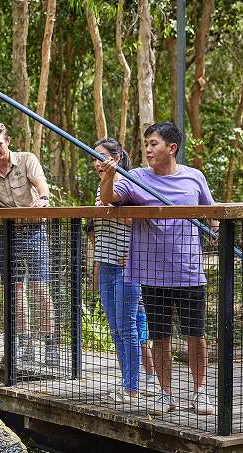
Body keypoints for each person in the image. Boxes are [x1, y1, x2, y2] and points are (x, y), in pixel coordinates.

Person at [99, 121, 216, 415]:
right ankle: (166, 394)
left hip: (189, 272)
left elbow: (212, 213)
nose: (148, 149)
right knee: (160, 337)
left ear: (171, 148)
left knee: (195, 334)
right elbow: (109, 198)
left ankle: (200, 392)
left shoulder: (194, 177)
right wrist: (109, 177)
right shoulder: (136, 177)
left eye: (154, 144)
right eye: (146, 144)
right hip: (152, 274)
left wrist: (217, 234)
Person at [0, 122, 59, 367]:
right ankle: (24, 343)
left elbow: (41, 182)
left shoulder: (26, 159)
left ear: (8, 141)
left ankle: (50, 344)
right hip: (7, 233)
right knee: (16, 289)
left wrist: (43, 198)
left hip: (34, 230)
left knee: (40, 287)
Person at [89, 137, 160, 402]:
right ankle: (126, 382)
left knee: (128, 327)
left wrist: (131, 257)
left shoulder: (130, 183)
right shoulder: (101, 187)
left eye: (101, 157)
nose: (97, 163)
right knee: (116, 328)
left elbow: (137, 221)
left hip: (126, 267)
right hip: (106, 264)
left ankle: (132, 386)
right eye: (93, 158)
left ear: (116, 158)